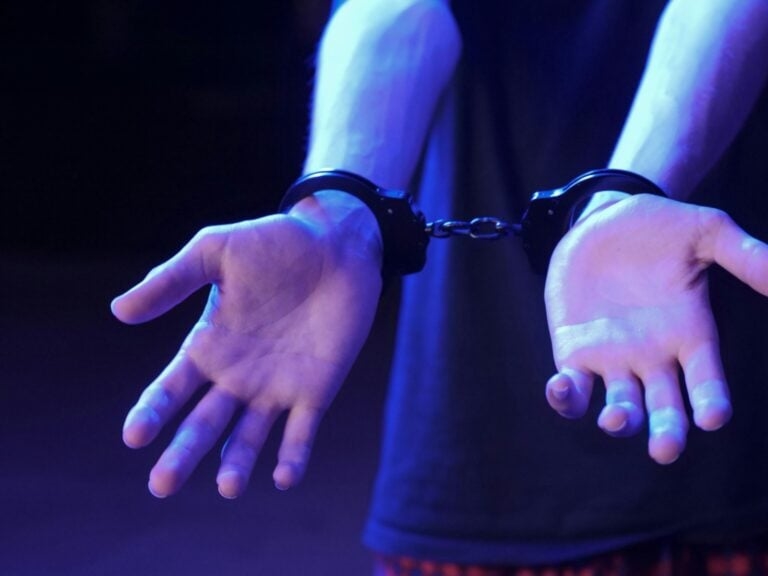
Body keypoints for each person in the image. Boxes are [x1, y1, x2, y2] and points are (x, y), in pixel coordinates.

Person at [111, 0, 768, 573]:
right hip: (475, 430)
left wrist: (631, 190)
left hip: (713, 390)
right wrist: (341, 208)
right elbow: (396, 8)